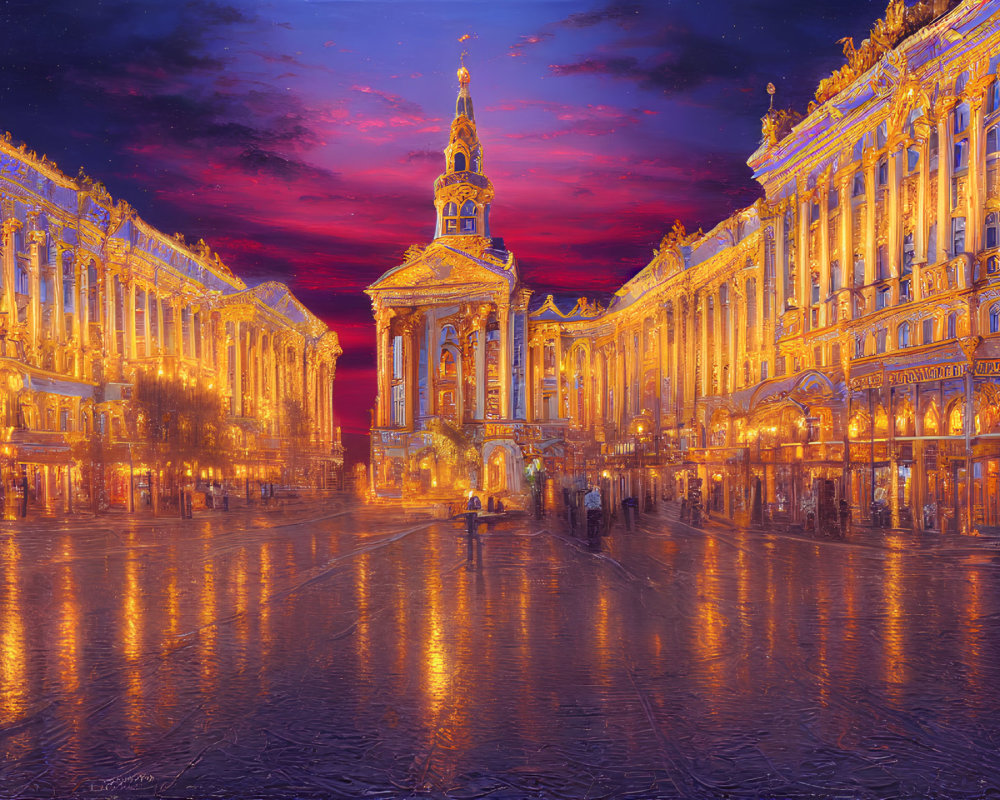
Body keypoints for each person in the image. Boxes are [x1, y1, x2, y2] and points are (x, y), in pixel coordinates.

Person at [584, 485, 602, 550]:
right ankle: (596, 539)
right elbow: (600, 504)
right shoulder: (599, 495)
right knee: (597, 525)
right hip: (597, 511)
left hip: (591, 511)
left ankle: (591, 539)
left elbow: (585, 504)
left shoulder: (587, 495)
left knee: (590, 525)